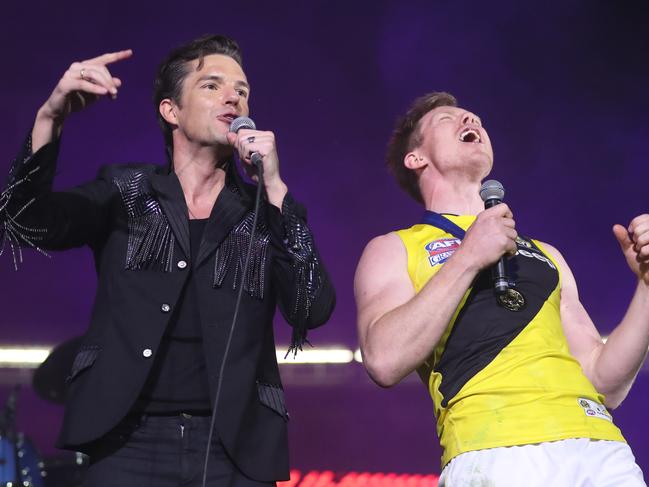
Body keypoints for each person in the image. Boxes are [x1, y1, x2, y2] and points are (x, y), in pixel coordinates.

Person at [0, 34, 335, 486]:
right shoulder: (126, 192)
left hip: (233, 447)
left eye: (242, 88)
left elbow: (310, 308)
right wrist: (50, 117)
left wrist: (274, 188)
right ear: (170, 111)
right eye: (211, 85)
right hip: (126, 441)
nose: (233, 95)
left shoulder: (265, 212)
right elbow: (27, 222)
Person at [354, 92, 649, 486]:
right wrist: (468, 256)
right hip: (495, 450)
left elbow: (602, 381)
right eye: (447, 119)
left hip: (600, 448)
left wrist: (647, 287)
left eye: (473, 117)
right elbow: (383, 360)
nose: (470, 119)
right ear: (416, 157)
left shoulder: (548, 254)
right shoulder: (394, 248)